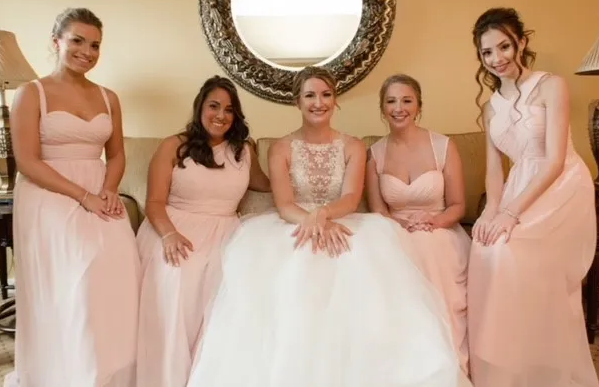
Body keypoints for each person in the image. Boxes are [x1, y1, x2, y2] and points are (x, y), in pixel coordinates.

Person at [185, 66, 472, 387]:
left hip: (339, 218)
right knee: (293, 264)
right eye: (310, 95)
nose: (318, 102)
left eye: (326, 95)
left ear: (335, 100)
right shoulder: (280, 148)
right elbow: (284, 203)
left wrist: (324, 215)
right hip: (294, 221)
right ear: (297, 101)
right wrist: (311, 220)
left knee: (364, 261)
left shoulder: (353, 147)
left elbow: (350, 197)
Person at [4, 8, 140, 387]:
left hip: (99, 191)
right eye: (77, 40)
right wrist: (83, 196)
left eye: (95, 45)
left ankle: (110, 372)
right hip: (49, 193)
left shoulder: (109, 97)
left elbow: (116, 154)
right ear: (56, 41)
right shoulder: (31, 93)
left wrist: (108, 189)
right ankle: (68, 373)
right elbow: (27, 161)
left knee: (121, 267)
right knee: (74, 281)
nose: (87, 51)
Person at [467, 7, 599, 386]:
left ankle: (542, 368)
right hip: (518, 188)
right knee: (483, 247)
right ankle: (506, 368)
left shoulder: (551, 86)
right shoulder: (489, 107)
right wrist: (490, 212)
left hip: (560, 186)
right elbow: (495, 171)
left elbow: (554, 161)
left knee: (510, 252)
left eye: (504, 46)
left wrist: (510, 213)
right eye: (487, 52)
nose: (497, 58)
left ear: (522, 43)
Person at [135, 75, 270, 387]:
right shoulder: (173, 145)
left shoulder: (243, 150)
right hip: (175, 226)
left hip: (227, 231)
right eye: (214, 106)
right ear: (200, 108)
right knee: (182, 273)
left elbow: (266, 183)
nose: (220, 115)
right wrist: (169, 235)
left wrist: (303, 178)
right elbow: (154, 202)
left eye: (229, 109)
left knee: (232, 280)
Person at [366, 73, 471, 375]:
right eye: (391, 101)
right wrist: (399, 225)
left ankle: (446, 360)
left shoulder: (444, 146)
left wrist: (434, 220)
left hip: (440, 230)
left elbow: (458, 205)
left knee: (427, 248)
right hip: (395, 231)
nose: (399, 108)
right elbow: (378, 211)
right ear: (382, 108)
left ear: (419, 106)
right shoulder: (373, 154)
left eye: (407, 101)